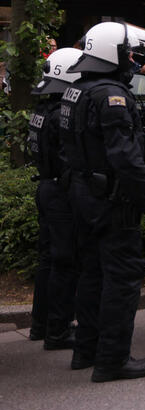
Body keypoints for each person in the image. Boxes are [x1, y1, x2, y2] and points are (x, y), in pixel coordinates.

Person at [60, 21, 145, 382]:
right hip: (112, 202)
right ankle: (113, 360)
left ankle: (86, 351)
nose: (133, 59)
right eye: (129, 53)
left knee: (92, 274)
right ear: (113, 54)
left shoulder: (77, 91)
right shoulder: (112, 97)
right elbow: (127, 159)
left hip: (84, 196)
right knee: (121, 277)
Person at [27, 48, 84, 350]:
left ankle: (41, 324)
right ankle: (59, 330)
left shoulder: (41, 109)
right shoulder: (59, 115)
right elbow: (68, 158)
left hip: (45, 189)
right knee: (65, 261)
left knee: (48, 259)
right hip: (60, 194)